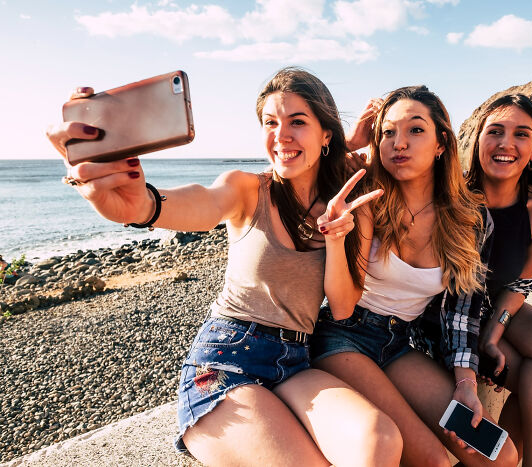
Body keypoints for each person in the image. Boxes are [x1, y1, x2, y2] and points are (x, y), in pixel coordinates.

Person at [46, 67, 400, 467]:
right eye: (270, 123)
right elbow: (203, 202)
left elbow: (341, 307)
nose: (280, 135)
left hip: (297, 360)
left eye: (297, 122)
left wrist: (336, 238)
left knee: (380, 439)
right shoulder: (247, 189)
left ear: (326, 135)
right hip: (227, 360)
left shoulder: (351, 203)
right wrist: (143, 205)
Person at [312, 86, 518, 467]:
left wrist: (466, 385)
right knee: (432, 460)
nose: (399, 143)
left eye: (415, 130)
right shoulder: (366, 196)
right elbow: (296, 170)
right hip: (341, 336)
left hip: (398, 343)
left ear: (442, 143)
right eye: (387, 132)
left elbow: (463, 314)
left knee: (499, 456)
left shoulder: (471, 221)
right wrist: (351, 142)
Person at [464, 94, 532, 467]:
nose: (505, 143)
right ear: (477, 140)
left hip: (495, 305)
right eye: (495, 131)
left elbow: (520, 284)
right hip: (443, 314)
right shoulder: (453, 198)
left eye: (521, 134)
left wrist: (493, 334)